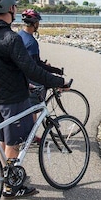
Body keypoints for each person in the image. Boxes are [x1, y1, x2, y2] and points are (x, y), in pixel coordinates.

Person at [0, 0, 71, 199]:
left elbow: (4, 67)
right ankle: (12, 187)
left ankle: (7, 177)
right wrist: (58, 81)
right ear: (11, 8)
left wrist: (22, 81)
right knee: (14, 143)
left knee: (3, 140)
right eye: (15, 5)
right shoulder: (10, 38)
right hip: (13, 99)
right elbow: (32, 69)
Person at [18, 9, 62, 144]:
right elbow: (35, 66)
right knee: (35, 105)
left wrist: (44, 64)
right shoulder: (31, 42)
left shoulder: (19, 35)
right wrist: (55, 71)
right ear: (34, 24)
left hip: (19, 74)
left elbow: (33, 61)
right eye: (38, 22)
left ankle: (27, 133)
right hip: (28, 77)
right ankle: (29, 136)